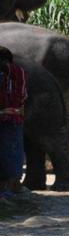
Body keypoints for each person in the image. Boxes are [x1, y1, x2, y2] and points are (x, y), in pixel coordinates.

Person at [0, 46, 27, 197]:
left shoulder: (3, 72)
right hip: (16, 117)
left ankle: (5, 188)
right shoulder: (20, 72)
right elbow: (23, 96)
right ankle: (14, 184)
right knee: (15, 151)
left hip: (4, 117)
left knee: (5, 152)